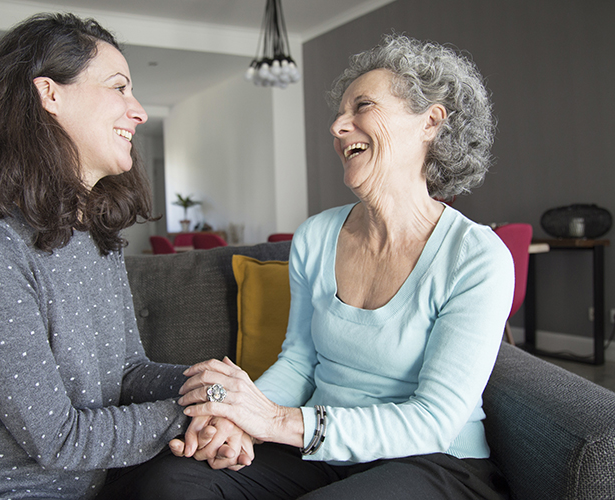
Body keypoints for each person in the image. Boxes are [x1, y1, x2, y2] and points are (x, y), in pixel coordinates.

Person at [139, 34, 515, 499]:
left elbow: (434, 420)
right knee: (172, 483)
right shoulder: (316, 236)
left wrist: (273, 420)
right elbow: (299, 362)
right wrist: (239, 420)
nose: (338, 125)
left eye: (362, 106)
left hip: (433, 460)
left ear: (430, 123)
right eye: (339, 113)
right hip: (320, 450)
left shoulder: (476, 257)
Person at [0, 13, 250, 500]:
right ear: (50, 94)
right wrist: (196, 410)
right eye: (119, 87)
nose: (138, 110)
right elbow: (59, 439)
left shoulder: (94, 235)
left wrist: (212, 386)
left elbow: (126, 373)